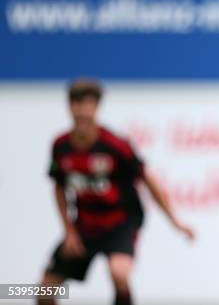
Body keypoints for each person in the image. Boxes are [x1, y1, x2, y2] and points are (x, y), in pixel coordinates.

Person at [38, 79, 195, 305]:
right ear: (69, 107)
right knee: (40, 291)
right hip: (85, 225)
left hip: (120, 222)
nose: (83, 112)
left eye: (89, 105)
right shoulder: (60, 145)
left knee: (119, 273)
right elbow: (59, 187)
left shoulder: (115, 144)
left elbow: (147, 179)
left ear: (97, 108)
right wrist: (69, 230)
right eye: (78, 104)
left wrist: (175, 221)